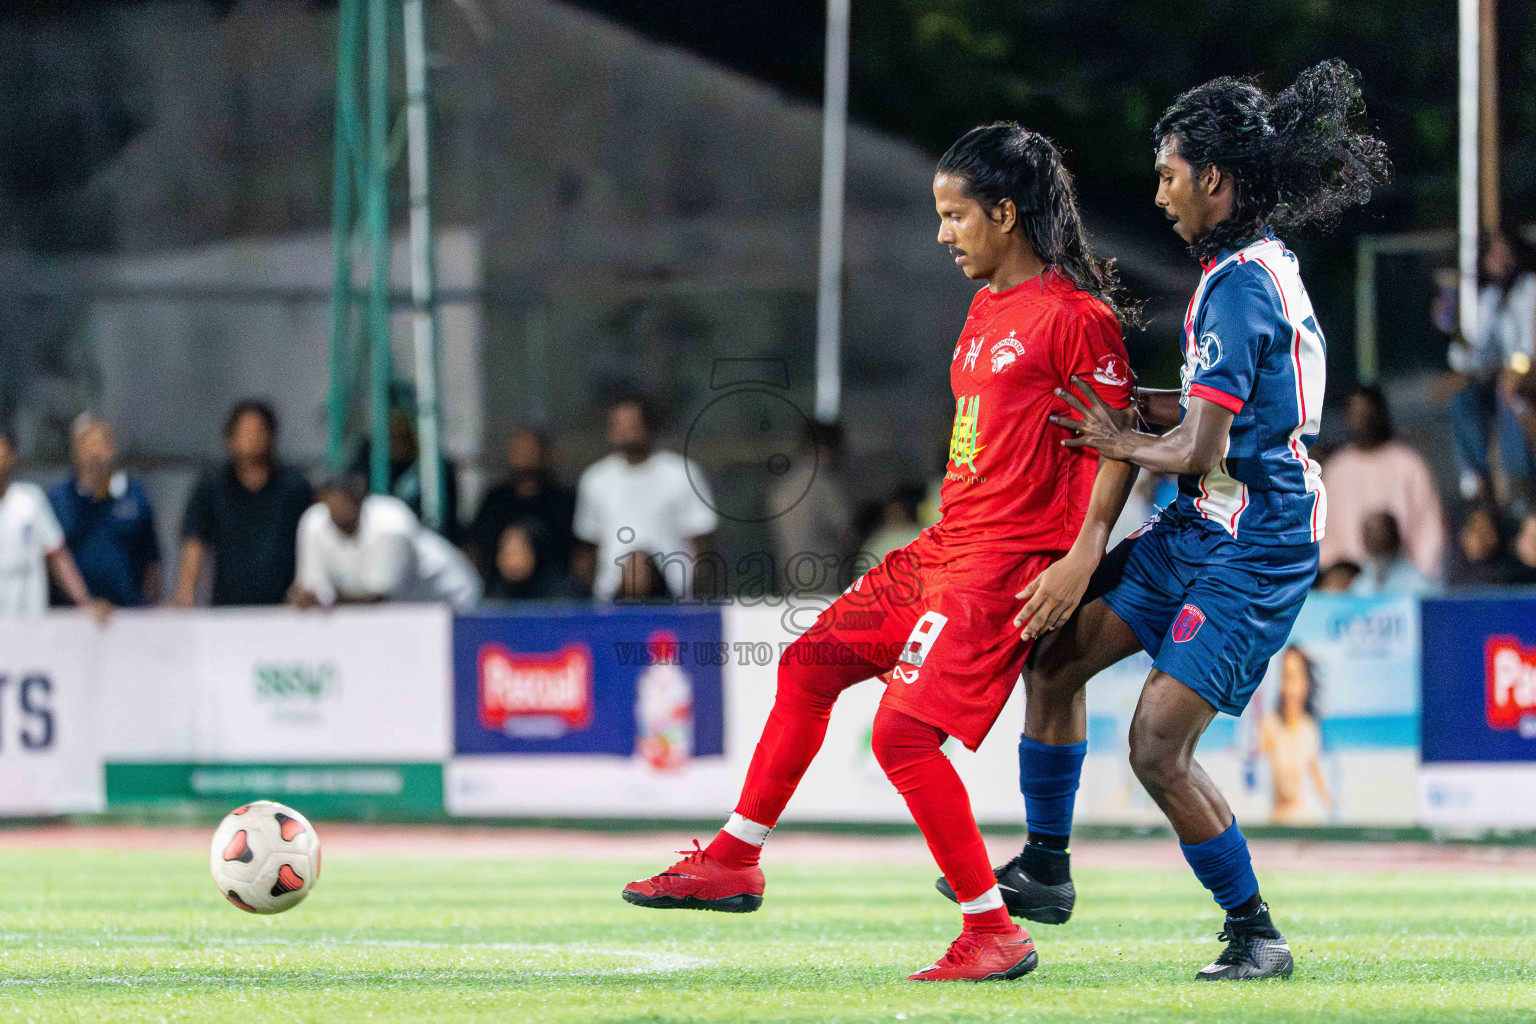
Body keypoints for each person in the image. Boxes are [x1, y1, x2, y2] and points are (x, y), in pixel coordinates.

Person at [622, 123, 1140, 983]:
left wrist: (1081, 559)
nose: (942, 233)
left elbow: (1116, 444)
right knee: (809, 664)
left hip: (1002, 567)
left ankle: (994, 931)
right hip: (946, 545)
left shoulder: (1075, 319)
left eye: (955, 214)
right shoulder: (985, 309)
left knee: (903, 735)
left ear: (1006, 214)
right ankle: (734, 858)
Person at [967, 63, 1389, 981]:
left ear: (1215, 179)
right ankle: (1045, 867)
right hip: (1207, 523)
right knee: (1054, 659)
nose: (1159, 195)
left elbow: (1199, 445)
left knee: (1157, 743)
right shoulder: (1245, 271)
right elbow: (1204, 419)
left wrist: (1118, 429)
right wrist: (1119, 408)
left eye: (1168, 175)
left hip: (1260, 542)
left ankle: (1255, 932)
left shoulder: (1238, 288)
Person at [573, 395, 719, 601]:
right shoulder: (595, 478)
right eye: (618, 425)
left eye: (631, 424)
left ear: (648, 426)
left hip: (673, 597)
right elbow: (588, 546)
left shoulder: (682, 473)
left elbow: (701, 541)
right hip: (609, 598)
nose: (625, 432)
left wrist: (696, 599)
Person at [175, 400, 314, 606]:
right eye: (244, 432)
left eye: (259, 431)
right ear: (229, 438)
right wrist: (185, 589)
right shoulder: (212, 486)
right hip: (228, 608)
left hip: (284, 608)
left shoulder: (294, 487)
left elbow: (312, 538)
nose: (252, 439)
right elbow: (195, 540)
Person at [289, 474, 481, 609]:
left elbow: (379, 599)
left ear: (361, 498)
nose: (339, 508)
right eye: (331, 501)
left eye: (345, 500)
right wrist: (310, 597)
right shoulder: (313, 522)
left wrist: (326, 600)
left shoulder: (391, 524)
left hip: (451, 598)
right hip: (406, 609)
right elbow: (312, 589)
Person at [1447, 229, 1536, 506]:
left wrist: (1515, 371)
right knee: (1463, 398)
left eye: (1504, 252)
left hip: (1526, 376)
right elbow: (1472, 357)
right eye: (1493, 254)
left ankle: (1520, 480)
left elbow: (1528, 350)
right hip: (1503, 376)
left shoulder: (1530, 288)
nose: (1499, 260)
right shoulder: (1490, 297)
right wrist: (1456, 324)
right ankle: (1477, 480)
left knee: (1508, 393)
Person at [1318, 386, 1445, 580]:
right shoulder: (1337, 469)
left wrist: (1418, 575)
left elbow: (1430, 531)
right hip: (1350, 587)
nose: (1362, 419)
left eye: (1367, 411)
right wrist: (1338, 572)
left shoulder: (1409, 464)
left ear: (1381, 413)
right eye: (1355, 412)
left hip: (1405, 579)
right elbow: (1325, 534)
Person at [47, 416, 161, 606]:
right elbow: (52, 558)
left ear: (112, 448)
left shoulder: (135, 495)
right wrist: (84, 602)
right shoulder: (59, 499)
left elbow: (151, 558)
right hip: (71, 616)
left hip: (129, 611)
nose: (94, 453)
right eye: (86, 445)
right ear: (75, 452)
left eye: (100, 444)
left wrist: (147, 605)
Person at [0, 429, 111, 621]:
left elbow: (57, 556)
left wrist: (85, 602)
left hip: (28, 623)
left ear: (12, 457)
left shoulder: (30, 501)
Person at [467, 427, 576, 594]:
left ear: (545, 454)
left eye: (531, 449)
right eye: (519, 450)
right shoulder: (496, 499)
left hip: (551, 593)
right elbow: (477, 547)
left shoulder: (563, 500)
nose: (525, 456)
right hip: (501, 592)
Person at [767, 421, 854, 588]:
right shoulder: (824, 483)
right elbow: (846, 533)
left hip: (790, 580)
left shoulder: (783, 485)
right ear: (826, 449)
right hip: (825, 582)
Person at [1258, 647, 1332, 825]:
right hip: (1275, 826)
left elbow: (1317, 777)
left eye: (1294, 677)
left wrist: (1333, 816)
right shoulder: (1270, 725)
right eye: (1285, 677)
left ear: (1306, 683)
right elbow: (1253, 780)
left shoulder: (1309, 729)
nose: (1288, 687)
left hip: (1306, 825)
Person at [1349, 511, 1437, 596]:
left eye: (1382, 530)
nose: (1378, 537)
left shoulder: (1418, 586)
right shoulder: (1360, 585)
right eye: (1372, 532)